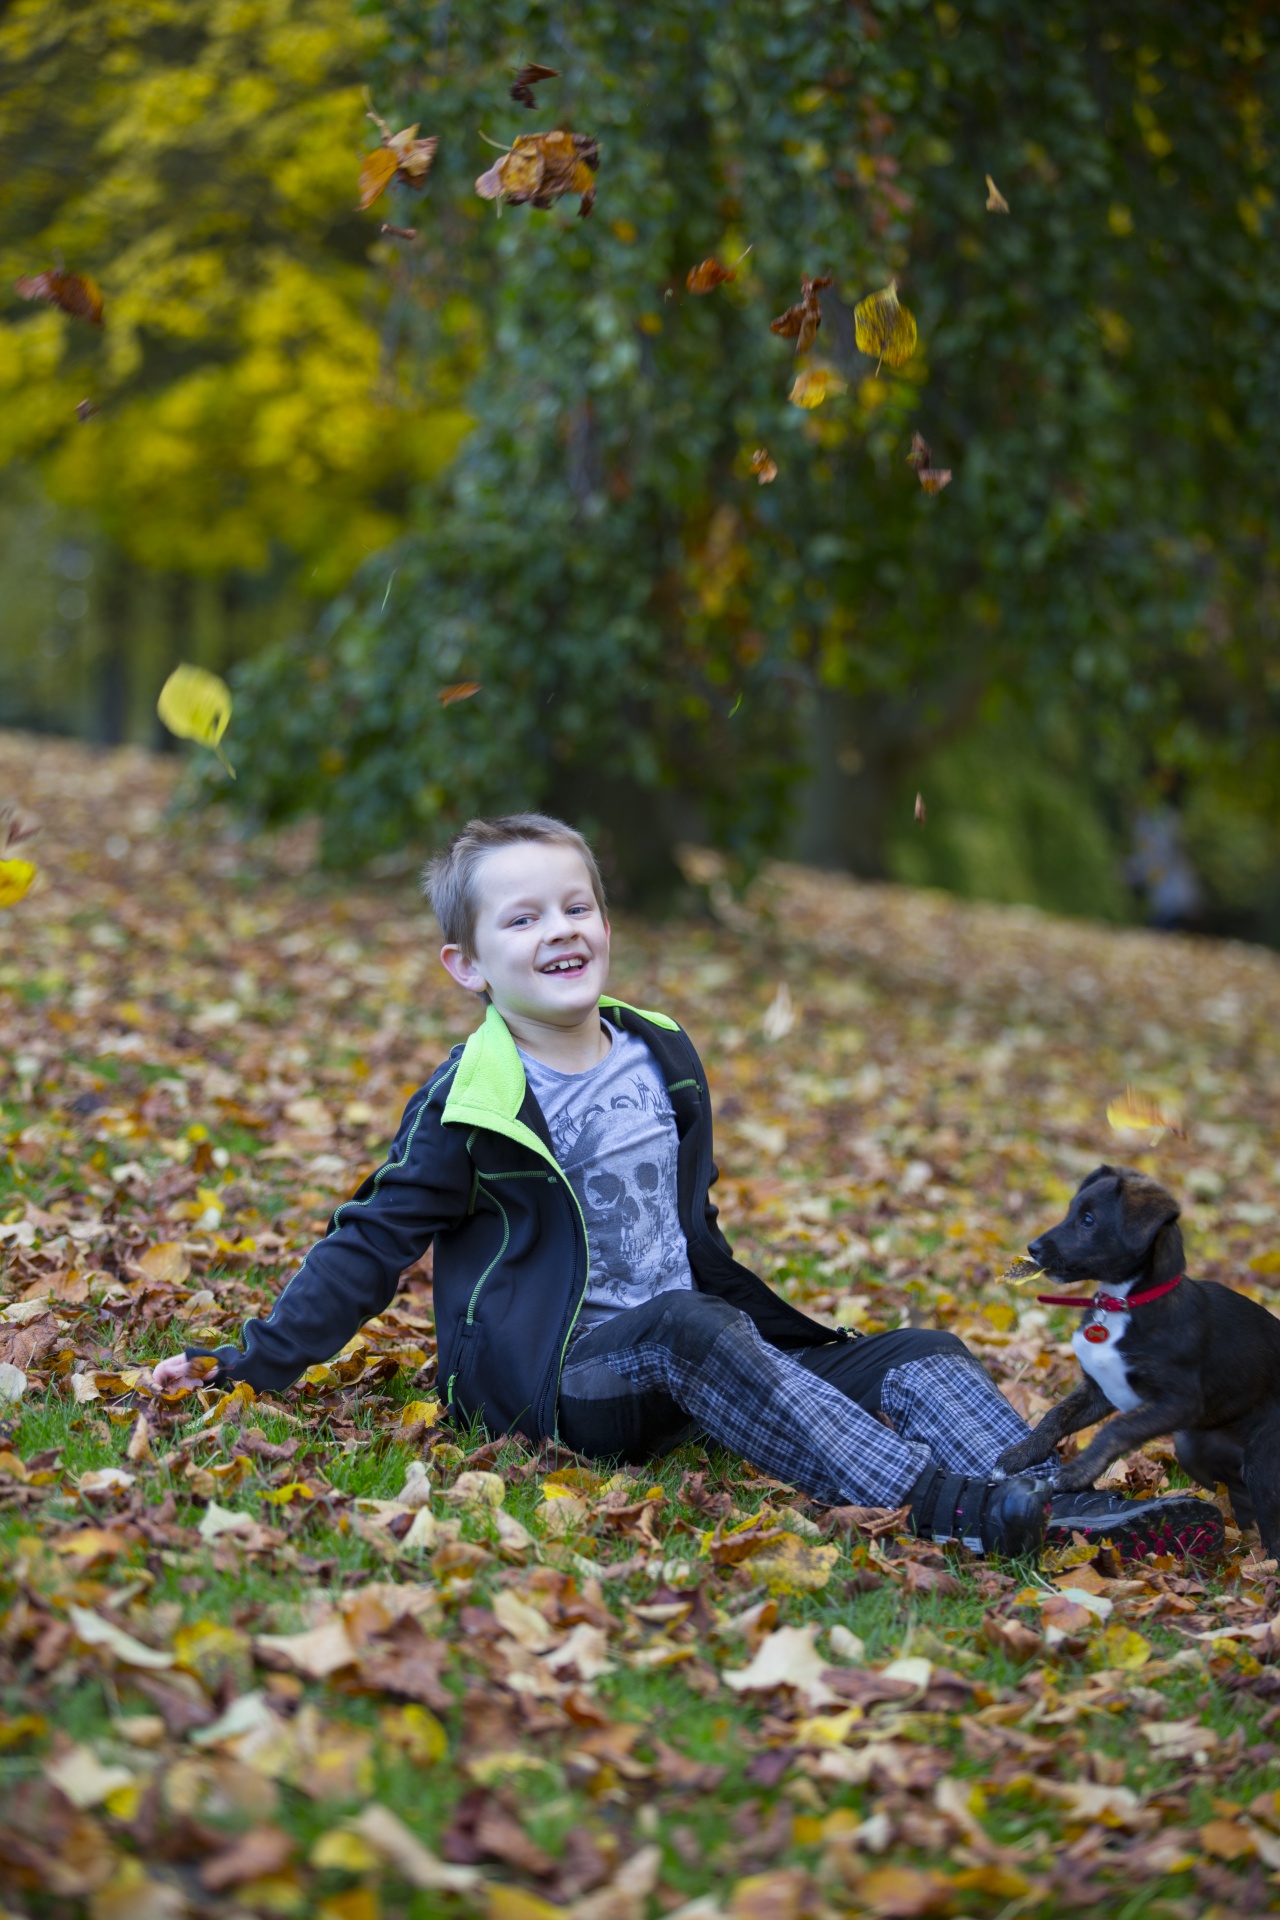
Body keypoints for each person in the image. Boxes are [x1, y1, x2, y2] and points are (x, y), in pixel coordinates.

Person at [152, 813, 1222, 1561]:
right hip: (563, 1385)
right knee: (689, 1330)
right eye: (520, 920)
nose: (559, 929)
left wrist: (792, 1348)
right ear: (465, 965)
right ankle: (955, 1509)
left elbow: (688, 1233)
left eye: (576, 905)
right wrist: (248, 1368)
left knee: (917, 1355)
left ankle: (1052, 1499)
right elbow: (366, 1243)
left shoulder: (657, 1053)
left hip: (691, 1352)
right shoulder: (473, 1104)